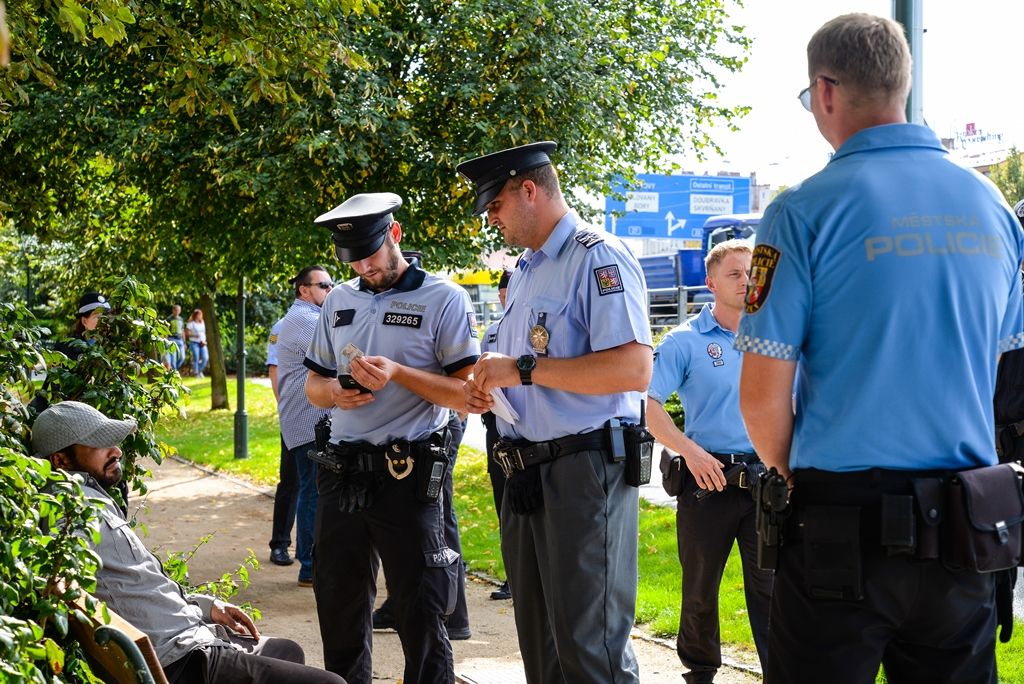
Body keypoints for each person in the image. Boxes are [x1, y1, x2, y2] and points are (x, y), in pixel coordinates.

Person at [736, 14, 1024, 684]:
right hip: (964, 525)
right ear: (903, 83)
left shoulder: (800, 211)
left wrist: (792, 474)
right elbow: (999, 373)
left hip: (841, 524)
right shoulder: (990, 207)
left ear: (825, 91)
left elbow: (761, 397)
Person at [458, 142, 653, 683]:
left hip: (583, 471)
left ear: (529, 190)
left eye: (495, 205)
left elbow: (634, 368)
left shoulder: (597, 257)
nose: (491, 219)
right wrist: (490, 390)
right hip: (525, 471)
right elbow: (524, 372)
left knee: (590, 647)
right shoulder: (526, 268)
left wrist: (521, 370)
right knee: (541, 646)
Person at [31, 400, 345, 684]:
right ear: (60, 459)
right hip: (182, 660)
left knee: (287, 651)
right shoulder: (73, 515)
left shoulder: (83, 503)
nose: (116, 450)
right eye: (99, 443)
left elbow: (137, 589)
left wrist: (207, 607)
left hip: (180, 643)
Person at [303, 192, 480, 683]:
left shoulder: (444, 298)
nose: (364, 267)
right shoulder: (339, 299)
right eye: (353, 259)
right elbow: (313, 383)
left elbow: (469, 394)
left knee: (419, 610)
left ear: (395, 234)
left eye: (371, 254)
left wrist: (399, 373)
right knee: (337, 603)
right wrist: (334, 393)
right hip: (341, 473)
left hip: (407, 473)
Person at [646, 239, 771, 683]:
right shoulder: (684, 341)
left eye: (751, 273)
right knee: (700, 590)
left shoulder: (774, 338)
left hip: (765, 483)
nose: (746, 281)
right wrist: (690, 451)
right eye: (735, 273)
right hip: (707, 483)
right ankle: (700, 672)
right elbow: (647, 404)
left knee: (773, 589)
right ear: (711, 283)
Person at [276, 265, 334, 586]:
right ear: (304, 290)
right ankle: (311, 566)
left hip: (306, 421)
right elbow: (338, 357)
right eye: (324, 285)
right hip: (310, 422)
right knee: (313, 493)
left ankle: (311, 563)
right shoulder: (307, 320)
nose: (330, 289)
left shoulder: (304, 317)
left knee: (312, 491)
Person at [481, 268, 512, 601]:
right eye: (502, 294)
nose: (505, 299)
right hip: (496, 427)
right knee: (503, 503)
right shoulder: (491, 333)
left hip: (529, 429)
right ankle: (512, 576)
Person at [266, 315, 297, 567]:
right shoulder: (284, 325)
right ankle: (280, 544)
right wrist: (284, 407)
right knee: (291, 481)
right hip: (295, 416)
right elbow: (274, 369)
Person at [56, 291, 110, 360]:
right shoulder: (65, 349)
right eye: (98, 317)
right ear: (84, 321)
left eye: (106, 316)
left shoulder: (114, 347)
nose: (104, 321)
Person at [185, 308, 209, 379]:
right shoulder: (191, 324)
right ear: (195, 315)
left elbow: (204, 332)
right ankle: (196, 374)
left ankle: (199, 371)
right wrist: (195, 335)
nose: (200, 316)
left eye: (201, 315)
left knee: (205, 358)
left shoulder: (202, 322)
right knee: (196, 358)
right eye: (199, 315)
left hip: (202, 342)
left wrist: (204, 340)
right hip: (194, 342)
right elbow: (187, 334)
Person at [164, 304, 186, 371]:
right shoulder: (169, 319)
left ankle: (175, 369)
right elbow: (166, 330)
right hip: (172, 339)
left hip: (180, 340)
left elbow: (182, 331)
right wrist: (166, 340)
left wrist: (184, 342)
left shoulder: (181, 319)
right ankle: (174, 371)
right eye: (176, 310)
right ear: (173, 310)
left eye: (178, 310)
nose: (177, 311)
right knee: (173, 358)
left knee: (182, 357)